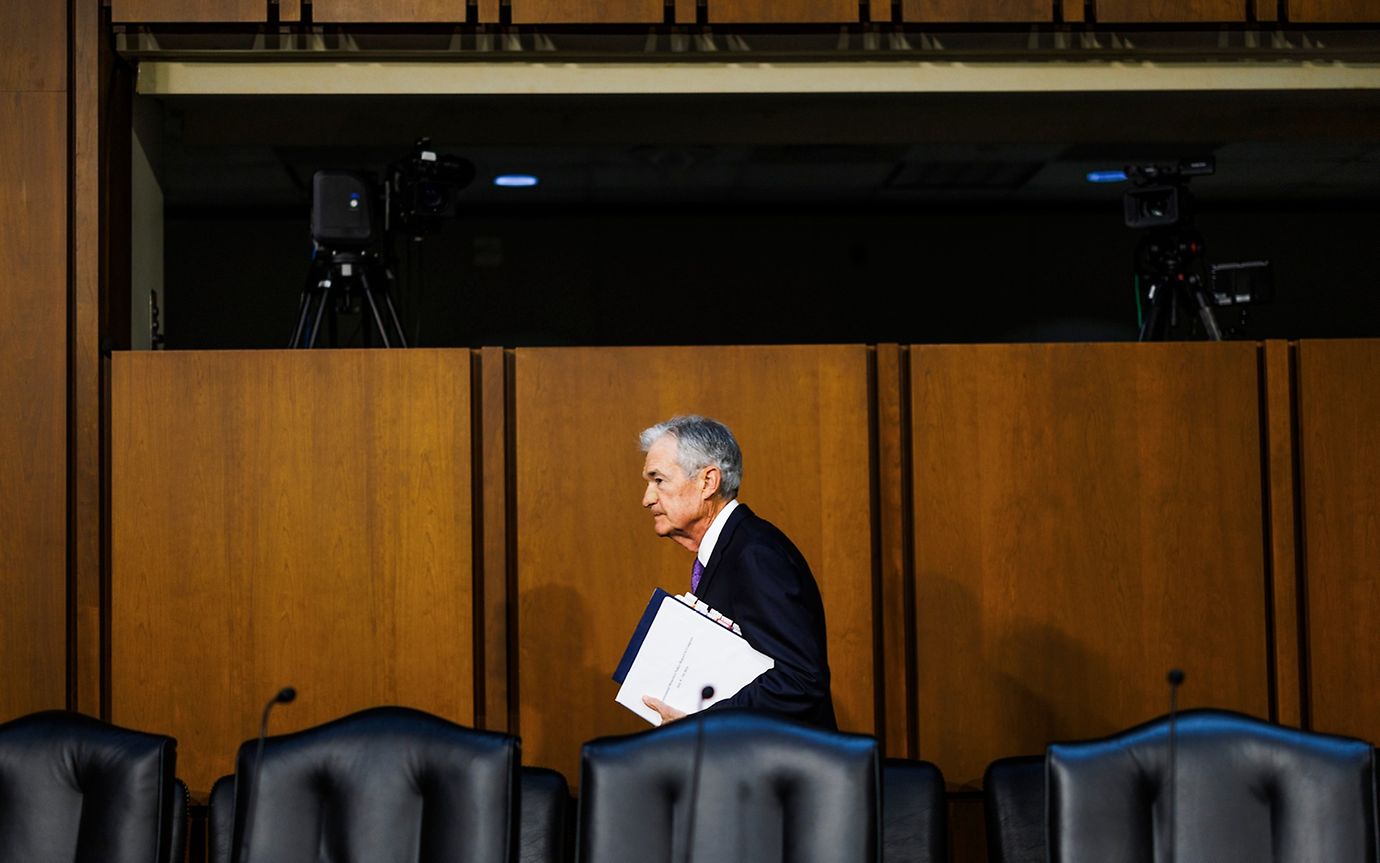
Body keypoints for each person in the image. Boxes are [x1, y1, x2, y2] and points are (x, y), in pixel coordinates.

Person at [637, 415, 837, 730]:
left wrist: (702, 723)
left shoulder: (756, 555)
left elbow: (801, 680)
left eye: (658, 480)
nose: (647, 499)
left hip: (779, 772)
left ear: (708, 482)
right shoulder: (731, 549)